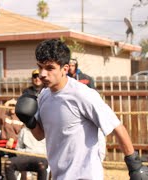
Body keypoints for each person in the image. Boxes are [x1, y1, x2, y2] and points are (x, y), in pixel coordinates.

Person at [15, 39, 148, 179]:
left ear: (65, 69)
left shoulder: (82, 94)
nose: (42, 74)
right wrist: (29, 120)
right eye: (40, 67)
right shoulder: (43, 96)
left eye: (49, 68)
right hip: (59, 176)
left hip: (85, 176)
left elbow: (116, 126)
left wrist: (135, 166)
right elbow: (40, 135)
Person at [0, 98, 24, 180]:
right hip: (3, 143)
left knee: (13, 158)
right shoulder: (4, 116)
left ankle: (12, 176)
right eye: (10, 106)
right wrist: (7, 103)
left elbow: (23, 133)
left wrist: (12, 139)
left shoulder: (21, 118)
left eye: (14, 106)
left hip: (16, 145)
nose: (12, 107)